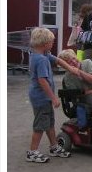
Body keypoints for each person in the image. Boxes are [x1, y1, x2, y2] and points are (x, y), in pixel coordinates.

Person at [26, 28, 78, 163]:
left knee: (49, 123)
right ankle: (32, 152)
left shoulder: (40, 55)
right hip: (41, 97)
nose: (53, 43)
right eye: (51, 41)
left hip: (42, 97)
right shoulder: (41, 60)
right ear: (44, 43)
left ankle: (54, 146)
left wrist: (71, 68)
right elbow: (42, 81)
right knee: (40, 124)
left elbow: (58, 61)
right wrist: (53, 98)